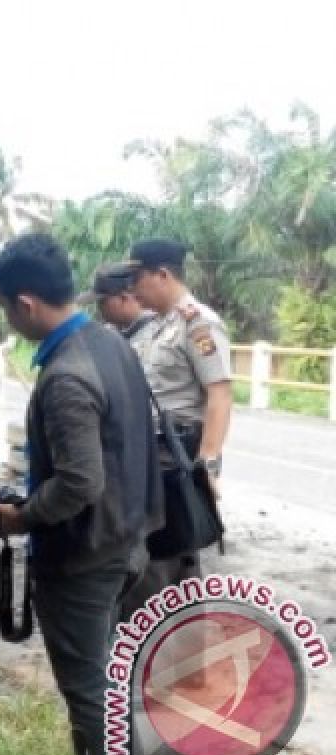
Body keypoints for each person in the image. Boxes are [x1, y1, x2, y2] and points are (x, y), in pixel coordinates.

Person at [0, 234, 161, 755]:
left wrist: (19, 518)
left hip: (85, 560)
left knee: (90, 694)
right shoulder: (112, 344)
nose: (8, 319)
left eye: (4, 307)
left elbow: (81, 482)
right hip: (127, 543)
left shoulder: (66, 375)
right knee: (108, 687)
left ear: (25, 304)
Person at [120, 239, 232, 620]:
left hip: (177, 454)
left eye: (138, 279)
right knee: (164, 559)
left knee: (169, 554)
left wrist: (208, 465)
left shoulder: (197, 323)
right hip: (152, 454)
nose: (132, 289)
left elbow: (219, 394)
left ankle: (168, 657)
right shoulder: (154, 327)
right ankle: (172, 656)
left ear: (162, 274)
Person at [78, 263, 156, 344]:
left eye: (103, 301)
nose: (100, 307)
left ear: (124, 298)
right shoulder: (112, 331)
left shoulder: (154, 334)